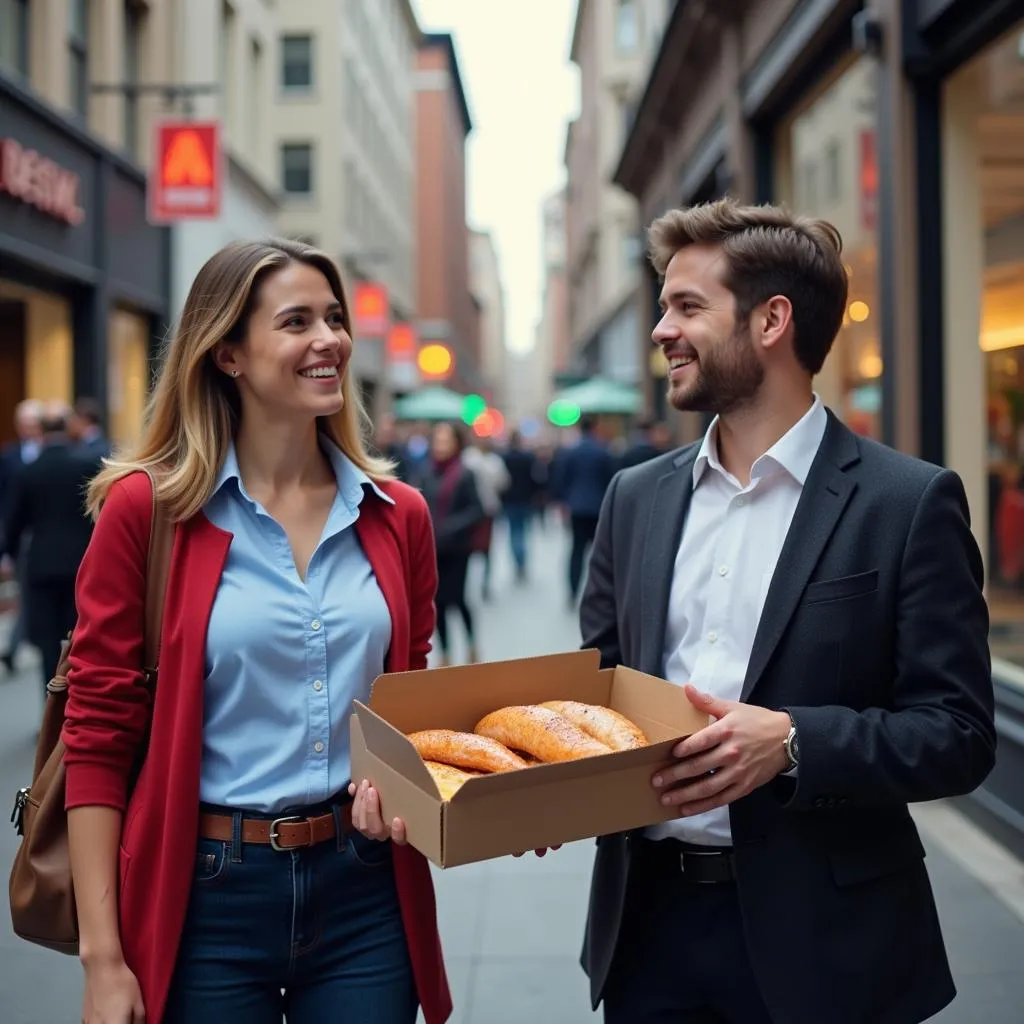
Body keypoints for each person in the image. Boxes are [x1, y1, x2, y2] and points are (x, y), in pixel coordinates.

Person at [578, 198, 995, 1024]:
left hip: (830, 946)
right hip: (648, 932)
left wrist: (797, 741)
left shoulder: (907, 503)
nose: (661, 329)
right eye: (664, 306)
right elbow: (598, 687)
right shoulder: (634, 498)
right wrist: (549, 788)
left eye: (687, 306)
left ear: (772, 322)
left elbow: (960, 734)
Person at [62, 238, 450, 1024]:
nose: (330, 340)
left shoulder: (398, 515)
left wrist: (484, 799)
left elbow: (411, 708)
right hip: (204, 892)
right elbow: (97, 737)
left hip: (363, 886)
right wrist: (104, 960)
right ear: (229, 353)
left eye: (335, 319)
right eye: (297, 321)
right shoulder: (149, 512)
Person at [2, 401, 102, 693]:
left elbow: (14, 522)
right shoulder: (85, 465)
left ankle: (51, 705)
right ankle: (76, 702)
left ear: (42, 433)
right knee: (77, 637)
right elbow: (98, 516)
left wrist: (7, 553)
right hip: (80, 563)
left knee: (47, 643)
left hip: (42, 565)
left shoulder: (28, 472)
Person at [419, 421, 484, 665]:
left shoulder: (465, 473)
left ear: (457, 443)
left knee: (457, 598)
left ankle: (471, 644)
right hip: (433, 549)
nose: (441, 445)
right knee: (438, 603)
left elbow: (478, 509)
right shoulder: (426, 472)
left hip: (457, 549)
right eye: (438, 440)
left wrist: (452, 527)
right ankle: (445, 653)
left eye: (447, 440)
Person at [0, 398, 43, 674]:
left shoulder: (52, 452)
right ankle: (20, 642)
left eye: (32, 423)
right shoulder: (9, 456)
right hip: (18, 535)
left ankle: (21, 642)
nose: (27, 428)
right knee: (24, 592)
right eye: (23, 424)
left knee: (30, 595)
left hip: (43, 536)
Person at [555, 415, 615, 607]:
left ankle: (572, 591)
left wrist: (563, 502)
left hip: (577, 508)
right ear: (594, 428)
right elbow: (611, 480)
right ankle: (599, 594)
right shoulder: (602, 451)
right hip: (599, 508)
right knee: (600, 554)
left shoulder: (570, 452)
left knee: (576, 551)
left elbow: (562, 479)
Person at [461, 435, 509, 600]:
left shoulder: (468, 458)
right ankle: (484, 582)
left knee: (473, 546)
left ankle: (475, 581)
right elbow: (503, 483)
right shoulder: (494, 462)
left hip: (476, 509)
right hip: (486, 508)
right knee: (485, 548)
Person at [501, 430, 539, 581]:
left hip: (510, 500)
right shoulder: (528, 457)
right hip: (525, 500)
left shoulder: (504, 457)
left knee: (514, 532)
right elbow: (535, 478)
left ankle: (518, 561)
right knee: (523, 531)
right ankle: (522, 561)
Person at [69, 396, 112, 461]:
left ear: (85, 420)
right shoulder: (77, 444)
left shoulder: (99, 450)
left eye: (73, 418)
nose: (70, 423)